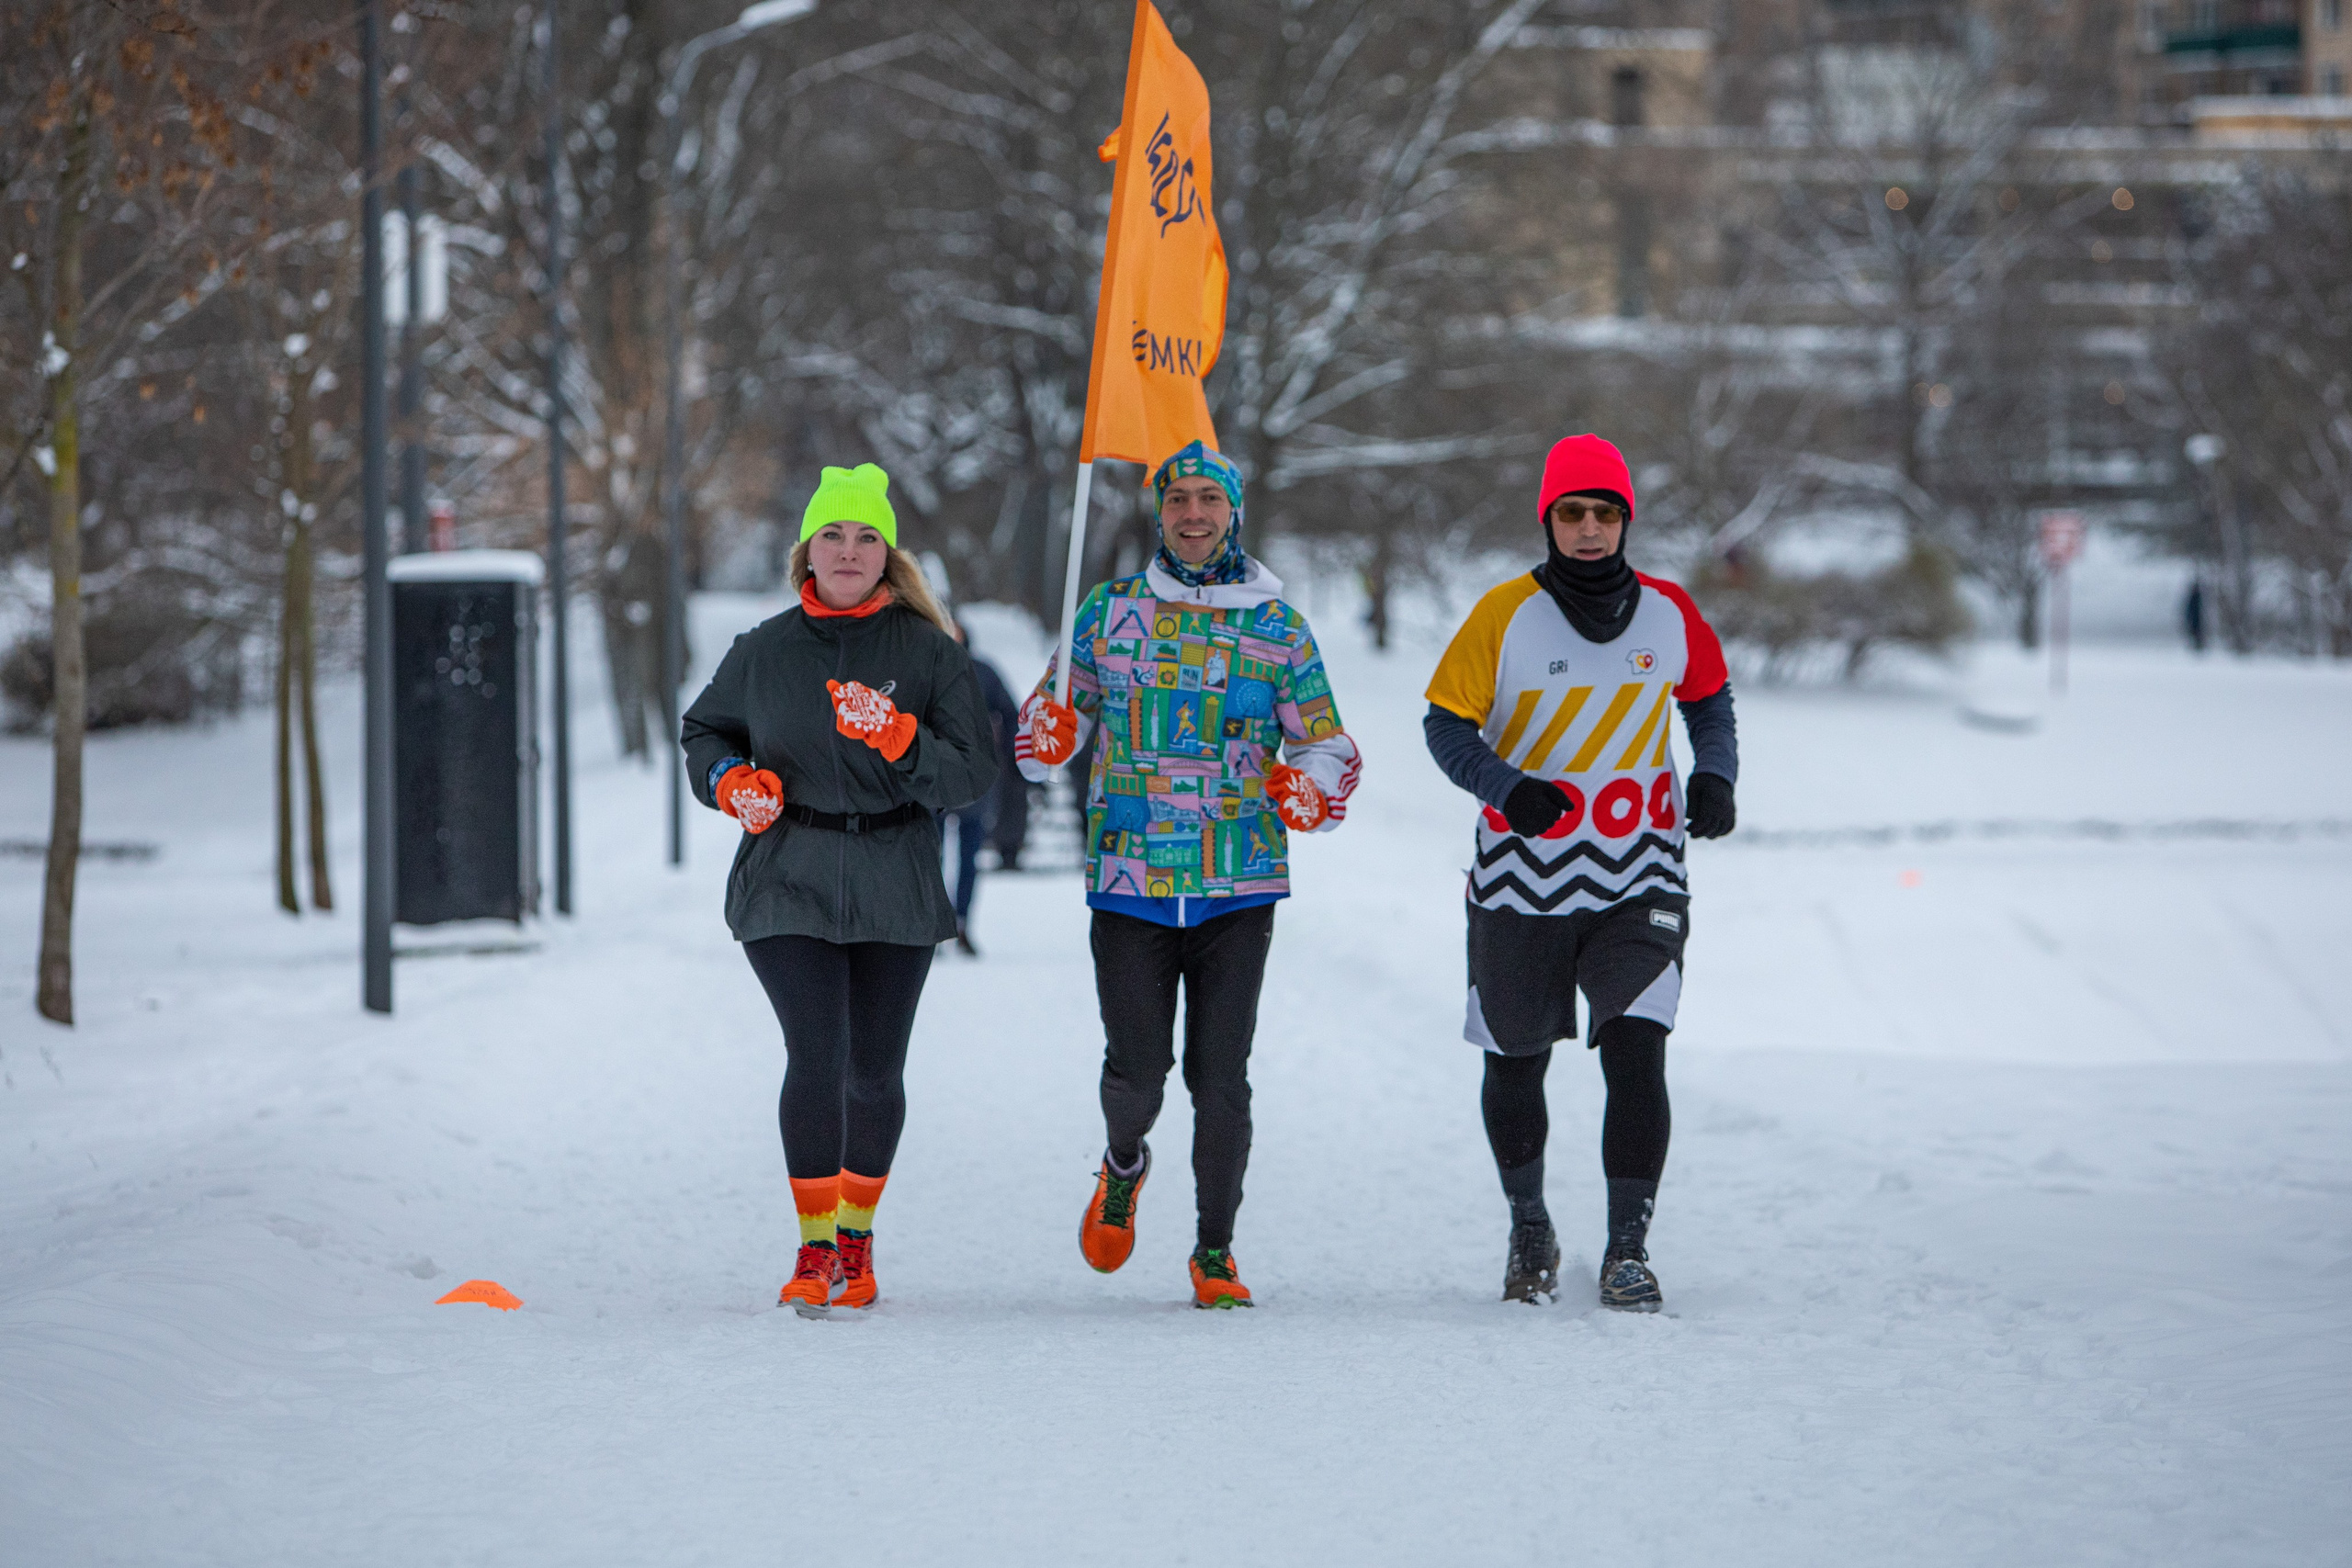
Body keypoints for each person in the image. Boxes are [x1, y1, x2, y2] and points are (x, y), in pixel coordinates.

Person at [1019, 441, 1362, 1309]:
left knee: (1221, 1076)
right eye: (1178, 499)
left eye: (1210, 498)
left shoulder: (1277, 625)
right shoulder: (1109, 610)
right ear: (1158, 511)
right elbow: (1047, 724)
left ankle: (1215, 1249)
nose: (1194, 514)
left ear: (1234, 509)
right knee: (1137, 1072)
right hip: (1132, 877)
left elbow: (1324, 742)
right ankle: (1124, 1162)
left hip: (1236, 881)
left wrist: (1308, 786)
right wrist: (1046, 734)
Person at [1421, 434, 1738, 1312]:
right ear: (1548, 520)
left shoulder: (1671, 612)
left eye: (1605, 513)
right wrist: (1507, 788)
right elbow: (1445, 726)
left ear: (1625, 520)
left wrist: (1715, 774)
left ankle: (1628, 1249)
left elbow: (1708, 699)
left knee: (1637, 1052)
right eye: (1572, 513)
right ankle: (1530, 1222)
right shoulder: (1503, 614)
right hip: (1522, 879)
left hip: (1641, 875)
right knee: (1516, 1062)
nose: (1589, 528)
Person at [680, 462, 997, 1319]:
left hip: (894, 875)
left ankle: (856, 1237)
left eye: (865, 537)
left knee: (874, 1070)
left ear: (888, 554)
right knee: (816, 1056)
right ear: (806, 550)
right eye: (833, 534)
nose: (849, 550)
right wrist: (729, 779)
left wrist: (900, 737)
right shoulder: (765, 649)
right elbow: (703, 729)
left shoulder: (930, 654)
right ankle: (814, 1247)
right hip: (788, 873)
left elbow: (972, 774)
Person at [941, 621, 1021, 955]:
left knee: (969, 857)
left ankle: (961, 923)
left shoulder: (984, 672)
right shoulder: (928, 667)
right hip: (935, 777)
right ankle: (936, 923)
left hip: (977, 777)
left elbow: (1012, 715)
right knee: (930, 857)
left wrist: (1016, 762)